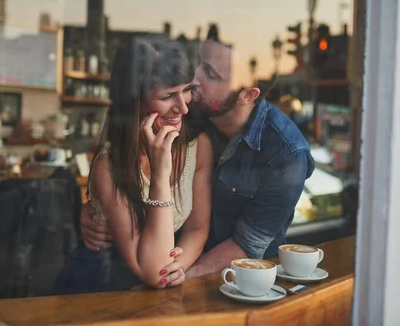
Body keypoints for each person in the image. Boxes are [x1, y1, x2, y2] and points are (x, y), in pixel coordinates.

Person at [80, 37, 315, 281]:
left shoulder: (286, 154)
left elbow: (247, 244)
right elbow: (122, 141)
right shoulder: (191, 111)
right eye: (199, 63)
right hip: (135, 269)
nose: (193, 79)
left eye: (210, 74)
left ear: (246, 94)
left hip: (233, 278)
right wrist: (96, 208)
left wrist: (176, 276)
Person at [53, 36, 213, 294]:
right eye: (168, 95)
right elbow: (153, 271)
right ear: (134, 102)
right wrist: (161, 174)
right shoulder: (110, 165)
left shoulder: (197, 145)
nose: (182, 107)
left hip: (159, 293)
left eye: (186, 90)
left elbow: (197, 228)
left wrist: (178, 266)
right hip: (100, 290)